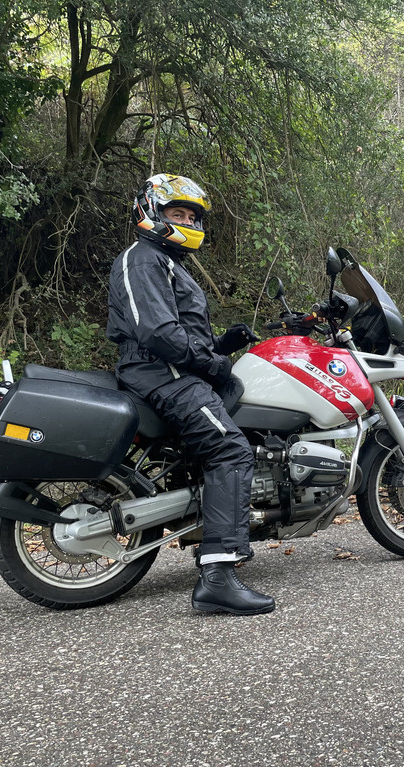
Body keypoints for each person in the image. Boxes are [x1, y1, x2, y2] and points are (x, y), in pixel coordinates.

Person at [106, 173, 274, 616]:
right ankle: (217, 578)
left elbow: (179, 334)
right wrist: (212, 364)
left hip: (170, 370)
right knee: (230, 451)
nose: (185, 221)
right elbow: (158, 334)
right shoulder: (143, 259)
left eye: (191, 216)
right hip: (163, 376)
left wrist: (221, 345)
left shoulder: (165, 261)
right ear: (151, 212)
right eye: (176, 213)